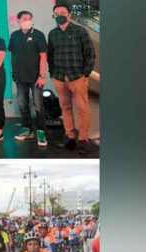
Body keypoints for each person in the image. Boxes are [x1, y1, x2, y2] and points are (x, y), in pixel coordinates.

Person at [48, 3, 96, 155]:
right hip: (59, 77)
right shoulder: (52, 33)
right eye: (57, 13)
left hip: (77, 77)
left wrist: (85, 74)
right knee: (65, 107)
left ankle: (83, 139)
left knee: (83, 109)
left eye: (62, 12)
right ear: (54, 16)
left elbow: (90, 54)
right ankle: (69, 136)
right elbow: (50, 55)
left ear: (69, 15)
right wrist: (53, 74)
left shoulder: (80, 31)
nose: (59, 15)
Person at [9, 10, 49, 147]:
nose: (27, 20)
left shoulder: (38, 35)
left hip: (36, 78)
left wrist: (42, 75)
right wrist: (13, 72)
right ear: (18, 20)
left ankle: (41, 131)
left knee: (38, 105)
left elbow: (43, 56)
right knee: (22, 104)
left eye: (29, 18)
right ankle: (27, 128)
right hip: (20, 77)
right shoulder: (14, 36)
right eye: (24, 18)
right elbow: (13, 55)